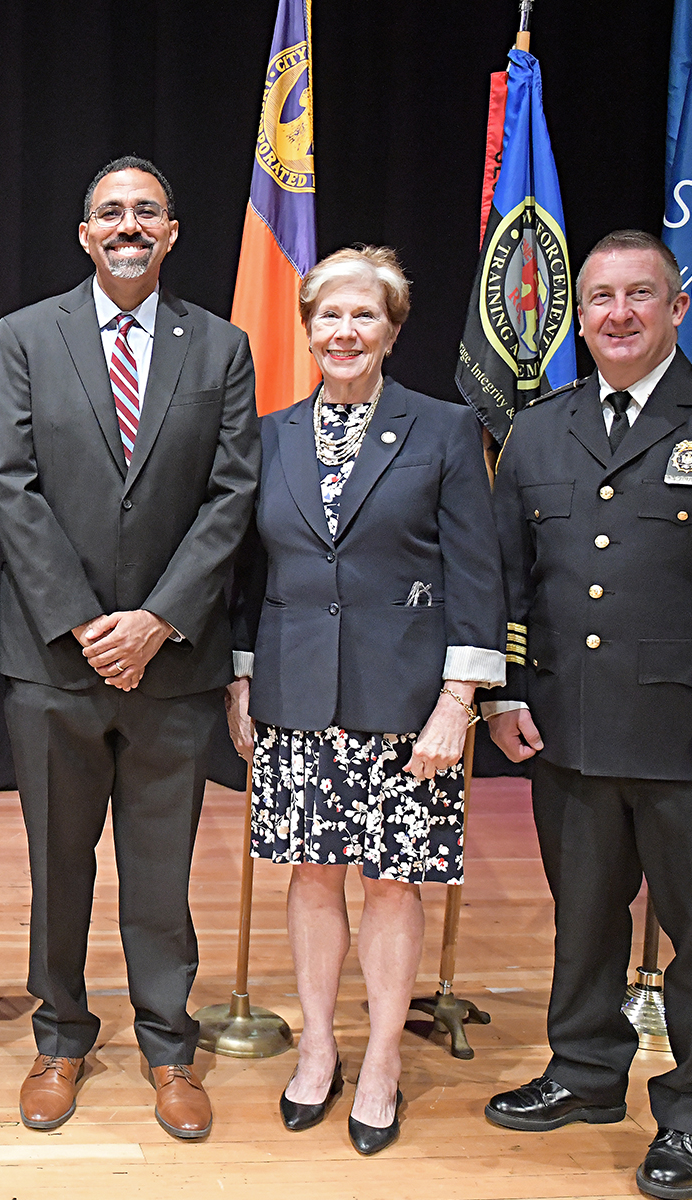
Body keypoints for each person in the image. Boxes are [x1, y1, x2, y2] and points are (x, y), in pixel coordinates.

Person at [482, 230, 692, 1200]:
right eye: (599, 298)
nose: (618, 314)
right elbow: (511, 578)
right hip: (570, 732)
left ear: (678, 308)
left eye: (640, 295)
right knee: (583, 924)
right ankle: (586, 1075)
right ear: (576, 316)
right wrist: (507, 692)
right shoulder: (541, 429)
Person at [0, 156, 259, 1140]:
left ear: (173, 233)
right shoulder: (26, 336)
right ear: (84, 233)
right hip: (56, 663)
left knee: (160, 868)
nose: (129, 225)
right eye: (111, 212)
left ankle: (169, 1045)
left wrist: (156, 620)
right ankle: (60, 1035)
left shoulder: (221, 346)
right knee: (59, 865)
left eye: (146, 211)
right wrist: (84, 622)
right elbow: (8, 485)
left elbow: (232, 495)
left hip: (172, 663)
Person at [224, 246, 506, 1155]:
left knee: (392, 884)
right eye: (329, 317)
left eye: (365, 317)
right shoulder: (266, 434)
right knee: (311, 877)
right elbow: (245, 573)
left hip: (408, 704)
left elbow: (476, 574)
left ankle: (381, 1059)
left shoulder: (445, 429)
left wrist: (458, 700)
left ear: (391, 329)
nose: (345, 333)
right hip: (295, 695)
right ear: (306, 329)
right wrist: (241, 677)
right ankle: (318, 1048)